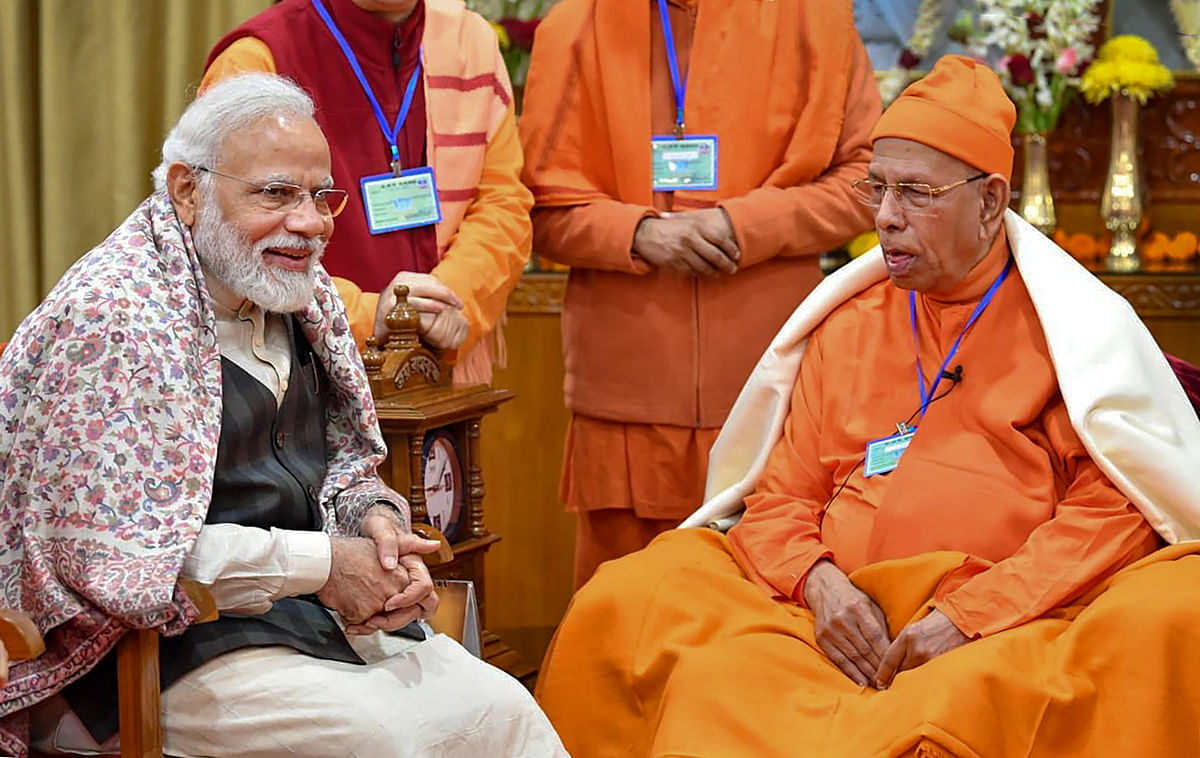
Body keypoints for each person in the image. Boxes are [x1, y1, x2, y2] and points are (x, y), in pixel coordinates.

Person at [534, 56, 1200, 757]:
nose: (885, 217)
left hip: (1011, 621)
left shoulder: (1071, 332)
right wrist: (819, 586)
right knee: (631, 594)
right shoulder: (848, 323)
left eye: (915, 193)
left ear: (990, 200)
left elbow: (1118, 508)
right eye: (876, 188)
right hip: (829, 617)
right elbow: (779, 498)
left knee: (1169, 613)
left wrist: (972, 615)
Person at [0, 74, 566, 758]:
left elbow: (347, 465)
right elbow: (114, 562)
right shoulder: (112, 322)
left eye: (320, 196)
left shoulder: (304, 296)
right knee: (388, 739)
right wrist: (327, 565)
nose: (310, 223)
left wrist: (381, 535)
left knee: (507, 710)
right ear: (187, 190)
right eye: (275, 194)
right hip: (155, 651)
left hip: (306, 618)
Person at [518, 0, 882, 587]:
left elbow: (867, 180)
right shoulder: (577, 25)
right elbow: (537, 205)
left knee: (771, 610)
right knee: (625, 614)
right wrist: (638, 234)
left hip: (775, 377)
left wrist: (748, 226)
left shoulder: (813, 18)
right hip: (629, 390)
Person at [203, 0, 533, 385]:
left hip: (440, 374)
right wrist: (368, 317)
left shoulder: (469, 42)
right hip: (304, 381)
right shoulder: (259, 57)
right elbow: (230, 233)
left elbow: (503, 203)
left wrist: (443, 303)